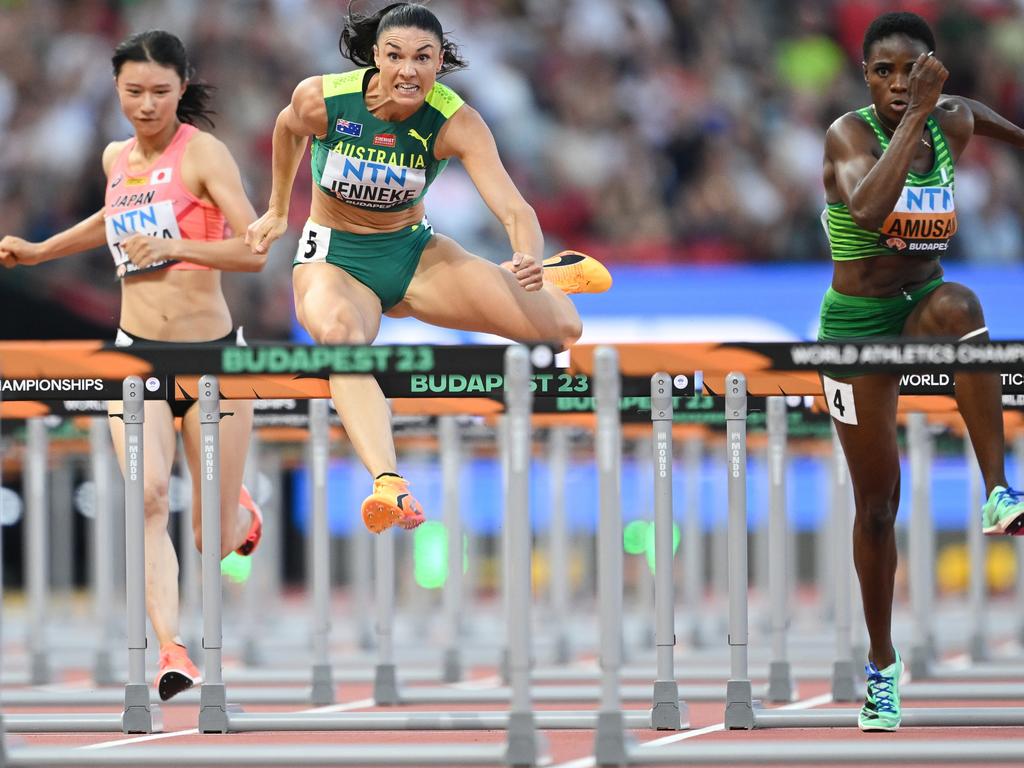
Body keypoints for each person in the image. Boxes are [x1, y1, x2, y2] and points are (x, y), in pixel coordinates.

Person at [246, 2, 610, 533]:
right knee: (341, 339)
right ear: (375, 57)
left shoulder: (454, 119)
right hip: (335, 260)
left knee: (564, 329)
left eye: (423, 58)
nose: (408, 70)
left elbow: (514, 208)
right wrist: (278, 209)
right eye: (395, 56)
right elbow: (286, 129)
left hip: (414, 255)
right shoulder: (324, 98)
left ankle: (550, 272)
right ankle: (389, 483)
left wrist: (527, 253)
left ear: (439, 64)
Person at [0, 30, 266, 701]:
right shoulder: (116, 155)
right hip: (136, 353)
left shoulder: (204, 154)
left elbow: (254, 248)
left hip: (212, 357)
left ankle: (239, 514)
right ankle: (171, 650)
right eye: (133, 92)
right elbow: (108, 221)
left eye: (159, 92)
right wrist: (40, 251)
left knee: (211, 535)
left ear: (181, 88)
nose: (145, 105)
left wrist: (176, 244)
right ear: (117, 90)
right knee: (147, 498)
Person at [820, 11, 1024, 732]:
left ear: (933, 67)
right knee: (878, 507)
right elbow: (872, 210)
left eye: (913, 69)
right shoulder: (847, 135)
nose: (900, 84)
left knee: (961, 301)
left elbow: (990, 122)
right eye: (884, 72)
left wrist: (952, 111)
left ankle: (1000, 491)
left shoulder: (954, 121)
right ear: (866, 76)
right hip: (856, 322)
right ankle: (882, 667)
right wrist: (919, 119)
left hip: (923, 305)